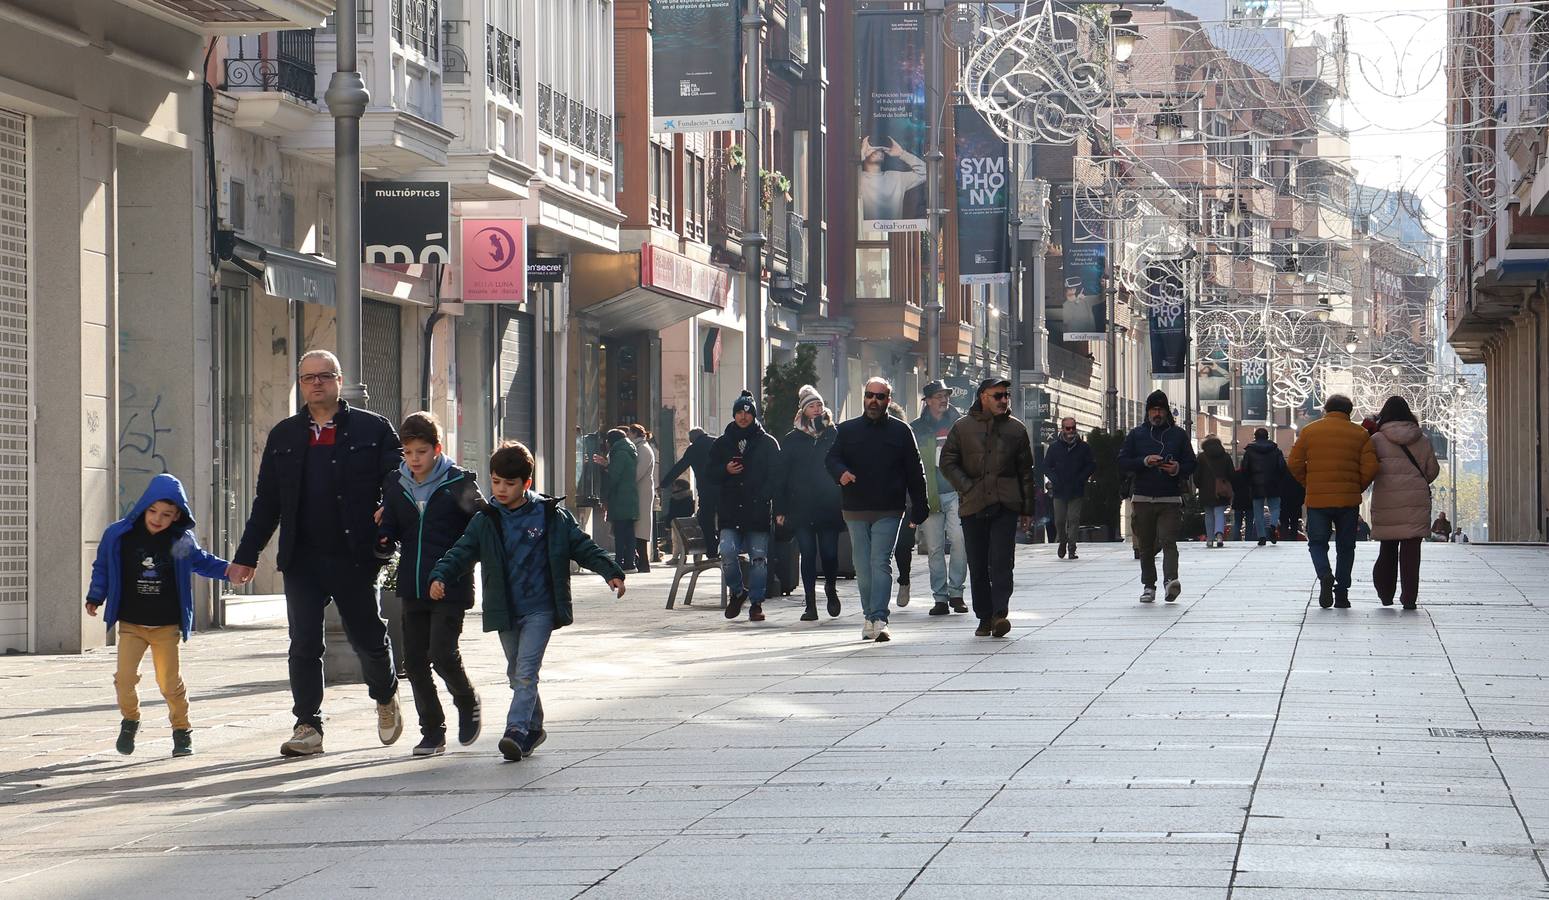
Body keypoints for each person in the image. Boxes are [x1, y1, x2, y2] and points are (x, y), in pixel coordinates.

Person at [227, 349, 404, 758]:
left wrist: (389, 514)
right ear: (301, 384)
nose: (317, 383)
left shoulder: (372, 429)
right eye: (309, 378)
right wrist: (247, 555)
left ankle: (384, 695)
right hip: (301, 557)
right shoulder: (284, 435)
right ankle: (308, 724)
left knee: (367, 638)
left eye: (325, 376)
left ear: (340, 381)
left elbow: (398, 481)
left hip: (354, 554)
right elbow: (267, 501)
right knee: (303, 643)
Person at [428, 441, 626, 761]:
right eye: (496, 481)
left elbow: (582, 545)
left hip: (540, 608)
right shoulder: (486, 519)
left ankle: (515, 730)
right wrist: (440, 576)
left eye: (509, 483)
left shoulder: (549, 516)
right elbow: (461, 552)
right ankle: (534, 728)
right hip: (505, 609)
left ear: (526, 484)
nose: (501, 489)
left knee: (525, 671)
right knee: (515, 672)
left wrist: (610, 571)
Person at [85, 474, 231, 757]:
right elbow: (102, 566)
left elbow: (202, 563)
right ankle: (130, 721)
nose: (158, 518)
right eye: (153, 511)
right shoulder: (120, 536)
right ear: (144, 507)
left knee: (169, 682)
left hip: (166, 625)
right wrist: (95, 596)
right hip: (131, 623)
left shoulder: (179, 541)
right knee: (125, 679)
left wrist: (231, 569)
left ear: (177, 516)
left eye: (167, 514)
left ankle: (181, 729)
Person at [377, 412, 485, 757]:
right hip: (412, 584)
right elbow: (392, 528)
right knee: (415, 660)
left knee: (441, 653)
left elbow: (480, 529)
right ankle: (432, 731)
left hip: (451, 585)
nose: (414, 460)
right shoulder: (396, 484)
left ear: (437, 449)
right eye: (408, 453)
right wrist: (380, 539)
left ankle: (468, 703)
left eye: (421, 452)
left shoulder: (459, 482)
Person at [827, 378, 929, 642]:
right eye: (870, 395)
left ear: (888, 400)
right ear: (864, 398)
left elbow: (915, 471)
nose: (874, 400)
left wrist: (920, 505)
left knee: (880, 561)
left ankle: (880, 618)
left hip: (889, 507)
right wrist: (842, 473)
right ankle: (869, 615)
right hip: (855, 507)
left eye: (880, 397)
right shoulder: (846, 430)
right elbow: (831, 458)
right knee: (862, 565)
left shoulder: (901, 431)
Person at [940, 375, 1037, 637]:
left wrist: (1027, 509)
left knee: (1002, 561)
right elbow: (947, 462)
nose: (1004, 400)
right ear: (983, 396)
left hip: (1005, 503)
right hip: (973, 504)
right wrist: (966, 485)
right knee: (978, 563)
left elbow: (1026, 472)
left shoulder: (1016, 429)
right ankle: (984, 617)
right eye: (998, 395)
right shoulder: (962, 427)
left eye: (1006, 395)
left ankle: (999, 614)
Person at [1288, 394, 1379, 609]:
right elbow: (1371, 467)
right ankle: (1342, 593)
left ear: (1326, 410)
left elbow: (1294, 462)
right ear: (1349, 411)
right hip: (1348, 499)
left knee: (1317, 543)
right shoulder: (1360, 434)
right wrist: (1357, 486)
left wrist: (1308, 482)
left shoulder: (1310, 431)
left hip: (1318, 499)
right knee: (1346, 547)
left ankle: (1324, 574)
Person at [1117, 390, 1197, 603]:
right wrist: (1144, 461)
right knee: (1146, 545)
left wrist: (1177, 468)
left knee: (1169, 541)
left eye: (1161, 409)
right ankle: (1149, 585)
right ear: (1148, 412)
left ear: (1167, 412)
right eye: (1154, 409)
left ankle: (1171, 580)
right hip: (1142, 497)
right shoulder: (1136, 435)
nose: (1157, 413)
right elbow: (1123, 461)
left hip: (1170, 498)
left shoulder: (1178, 435)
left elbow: (1192, 463)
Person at [711, 391, 783, 622]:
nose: (743, 416)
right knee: (728, 552)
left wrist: (766, 498)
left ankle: (757, 602)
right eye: (739, 412)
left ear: (754, 415)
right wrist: (725, 470)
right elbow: (708, 474)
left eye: (747, 412)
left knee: (759, 559)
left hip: (757, 511)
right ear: (733, 415)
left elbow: (777, 477)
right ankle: (737, 591)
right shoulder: (722, 443)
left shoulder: (767, 442)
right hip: (730, 511)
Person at [776, 385, 845, 621]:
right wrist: (781, 509)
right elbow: (782, 476)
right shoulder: (792, 439)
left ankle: (831, 589)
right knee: (807, 553)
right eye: (811, 406)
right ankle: (810, 604)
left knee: (829, 554)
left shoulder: (833, 434)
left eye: (819, 405)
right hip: (801, 506)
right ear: (803, 411)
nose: (816, 409)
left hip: (828, 504)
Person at [1368, 396, 1441, 609]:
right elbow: (1432, 470)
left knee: (1387, 548)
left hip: (1386, 500)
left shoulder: (1376, 440)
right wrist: (1417, 481)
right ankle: (1409, 598)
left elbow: (1369, 468)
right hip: (1415, 501)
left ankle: (1385, 593)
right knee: (1411, 552)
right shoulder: (1423, 439)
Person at [910, 381, 969, 615]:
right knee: (934, 548)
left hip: (956, 491)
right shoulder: (916, 428)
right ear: (928, 401)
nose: (943, 399)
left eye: (945, 395)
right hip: (929, 494)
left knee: (959, 540)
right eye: (938, 396)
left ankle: (957, 593)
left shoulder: (960, 423)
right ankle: (940, 597)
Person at [660, 427, 720, 558]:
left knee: (705, 519)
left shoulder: (694, 449)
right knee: (723, 518)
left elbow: (679, 467)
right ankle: (723, 544)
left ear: (692, 438)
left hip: (706, 490)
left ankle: (712, 549)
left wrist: (664, 483)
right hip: (723, 489)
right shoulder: (717, 442)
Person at [1042, 416, 1096, 559]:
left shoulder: (1084, 447)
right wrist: (1054, 479)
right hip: (1059, 490)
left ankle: (1072, 548)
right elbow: (1046, 466)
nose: (1071, 431)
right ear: (1062, 429)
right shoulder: (1054, 448)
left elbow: (1091, 464)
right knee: (1059, 520)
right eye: (1068, 428)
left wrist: (1081, 478)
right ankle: (1062, 541)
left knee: (1073, 519)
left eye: (1073, 428)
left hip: (1076, 489)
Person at [596, 428, 639, 572]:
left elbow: (614, 475)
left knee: (620, 533)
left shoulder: (620, 453)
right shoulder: (628, 450)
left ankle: (621, 562)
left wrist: (606, 467)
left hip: (621, 498)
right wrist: (607, 464)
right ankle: (629, 561)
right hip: (628, 497)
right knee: (628, 532)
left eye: (607, 441)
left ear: (611, 441)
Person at [858, 137, 926, 222]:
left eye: (880, 149)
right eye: (871, 147)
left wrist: (902, 153)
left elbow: (925, 173)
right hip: (864, 231)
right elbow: (840, 181)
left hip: (894, 231)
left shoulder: (897, 177)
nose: (875, 150)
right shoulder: (857, 178)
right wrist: (861, 154)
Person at [1241, 427, 1286, 546]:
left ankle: (1261, 536)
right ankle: (1272, 526)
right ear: (1267, 437)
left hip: (1256, 484)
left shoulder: (1249, 451)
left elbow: (1244, 468)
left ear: (1255, 437)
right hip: (1273, 483)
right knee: (1275, 508)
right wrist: (1279, 479)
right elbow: (1282, 467)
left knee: (1258, 511)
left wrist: (1248, 481)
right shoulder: (1276, 450)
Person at [1192, 435, 1236, 548]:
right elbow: (1231, 473)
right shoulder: (1225, 456)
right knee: (1219, 512)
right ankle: (1220, 535)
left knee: (1209, 514)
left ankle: (1210, 539)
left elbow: (1196, 475)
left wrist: (1199, 485)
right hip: (1221, 490)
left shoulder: (1202, 457)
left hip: (1205, 490)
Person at [627, 424, 658, 573]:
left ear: (634, 434)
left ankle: (644, 563)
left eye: (629, 433)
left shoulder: (644, 450)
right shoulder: (640, 448)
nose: (627, 436)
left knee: (641, 528)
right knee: (639, 528)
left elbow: (637, 473)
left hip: (642, 493)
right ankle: (641, 562)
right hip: (639, 493)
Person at [1230, 466, 1254, 542]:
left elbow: (1232, 486)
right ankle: (1248, 539)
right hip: (1249, 500)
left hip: (1238, 500)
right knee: (1249, 522)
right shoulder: (1252, 474)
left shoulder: (1236, 474)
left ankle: (1236, 538)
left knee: (1237, 522)